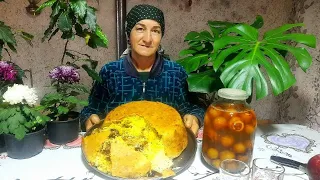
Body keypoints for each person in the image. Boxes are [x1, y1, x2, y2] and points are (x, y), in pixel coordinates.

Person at [80, 4, 205, 135]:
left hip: (164, 147)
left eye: (156, 31)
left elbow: (194, 108)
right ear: (129, 34)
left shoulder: (176, 73)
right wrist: (89, 118)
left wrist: (195, 118)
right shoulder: (110, 72)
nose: (147, 39)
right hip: (121, 147)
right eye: (140, 29)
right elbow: (91, 109)